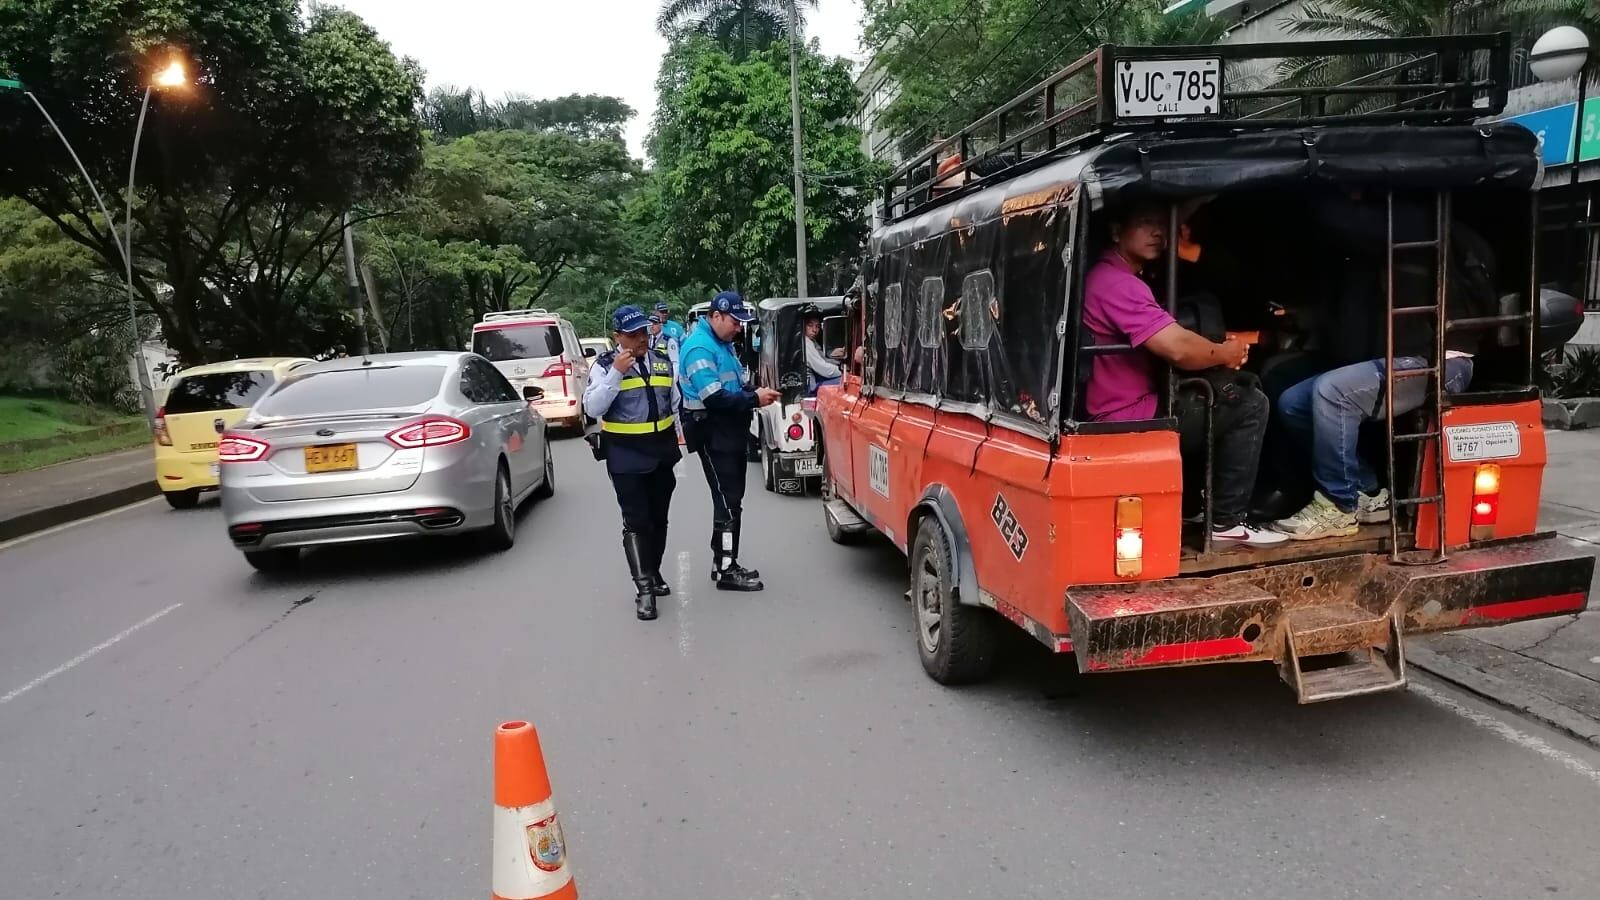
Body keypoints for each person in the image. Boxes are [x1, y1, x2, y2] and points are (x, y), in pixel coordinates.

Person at [1272, 192, 1493, 541]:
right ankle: (1366, 492)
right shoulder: (1382, 237)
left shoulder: (1414, 219)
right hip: (1402, 357)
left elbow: (1337, 220)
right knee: (1293, 401)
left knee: (1333, 391)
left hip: (1441, 363)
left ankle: (1337, 507)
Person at [1084, 199, 1286, 547]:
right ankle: (1226, 521)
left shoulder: (1110, 276)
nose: (1158, 232)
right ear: (1117, 232)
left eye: (1162, 225)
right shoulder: (1118, 284)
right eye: (1146, 223)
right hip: (1129, 412)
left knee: (1232, 388)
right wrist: (1224, 351)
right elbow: (1176, 346)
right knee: (1249, 403)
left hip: (1126, 400)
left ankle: (1195, 503)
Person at [582, 305, 681, 621]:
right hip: (625, 455)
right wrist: (616, 374)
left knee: (659, 520)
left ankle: (653, 571)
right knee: (637, 522)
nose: (640, 339)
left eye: (643, 332)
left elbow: (673, 405)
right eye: (632, 334)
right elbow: (593, 407)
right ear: (617, 337)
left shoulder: (663, 363)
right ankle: (645, 591)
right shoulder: (604, 366)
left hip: (662, 452)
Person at [679, 291, 780, 590]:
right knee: (727, 501)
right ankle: (726, 570)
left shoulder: (722, 344)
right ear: (716, 316)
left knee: (731, 500)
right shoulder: (699, 347)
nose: (739, 328)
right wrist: (754, 399)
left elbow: (733, 383)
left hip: (728, 431)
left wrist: (754, 389)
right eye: (735, 322)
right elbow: (714, 397)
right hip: (712, 431)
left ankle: (723, 560)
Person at [800, 304, 844, 393]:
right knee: (846, 383)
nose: (814, 330)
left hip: (818, 379)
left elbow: (821, 358)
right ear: (803, 326)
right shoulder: (806, 342)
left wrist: (832, 356)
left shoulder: (812, 341)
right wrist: (844, 372)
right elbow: (824, 369)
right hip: (811, 387)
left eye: (817, 326)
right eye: (810, 325)